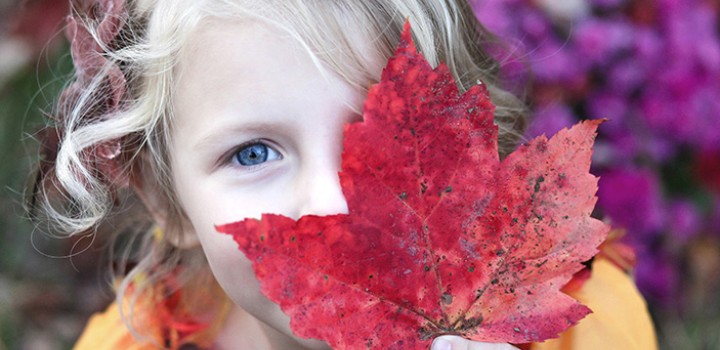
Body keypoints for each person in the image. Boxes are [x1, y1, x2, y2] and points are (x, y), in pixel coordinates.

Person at [29, 0, 657, 349]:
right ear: (166, 201)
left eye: (381, 134)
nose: (334, 202)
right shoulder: (128, 343)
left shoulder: (589, 326)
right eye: (252, 154)